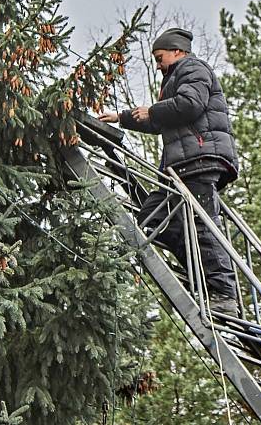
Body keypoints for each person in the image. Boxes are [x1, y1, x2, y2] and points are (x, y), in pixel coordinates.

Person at [99, 27, 240, 315]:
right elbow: (162, 120)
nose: (158, 63)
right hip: (179, 169)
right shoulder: (175, 77)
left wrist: (152, 110)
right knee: (153, 218)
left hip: (200, 160)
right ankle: (197, 274)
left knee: (203, 226)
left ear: (177, 51)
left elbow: (189, 105)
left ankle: (224, 294)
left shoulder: (193, 69)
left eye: (160, 57)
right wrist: (121, 117)